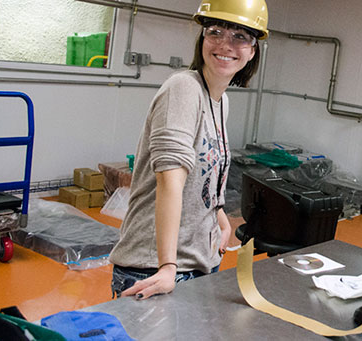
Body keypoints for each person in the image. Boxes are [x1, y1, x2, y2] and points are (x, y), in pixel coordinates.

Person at [108, 0, 269, 300]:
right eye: (216, 32)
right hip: (155, 269)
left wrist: (219, 216)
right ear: (202, 38)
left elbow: (207, 171)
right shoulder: (183, 89)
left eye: (240, 37)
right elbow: (170, 181)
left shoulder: (220, 100)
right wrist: (168, 266)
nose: (225, 44)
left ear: (252, 50)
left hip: (198, 265)